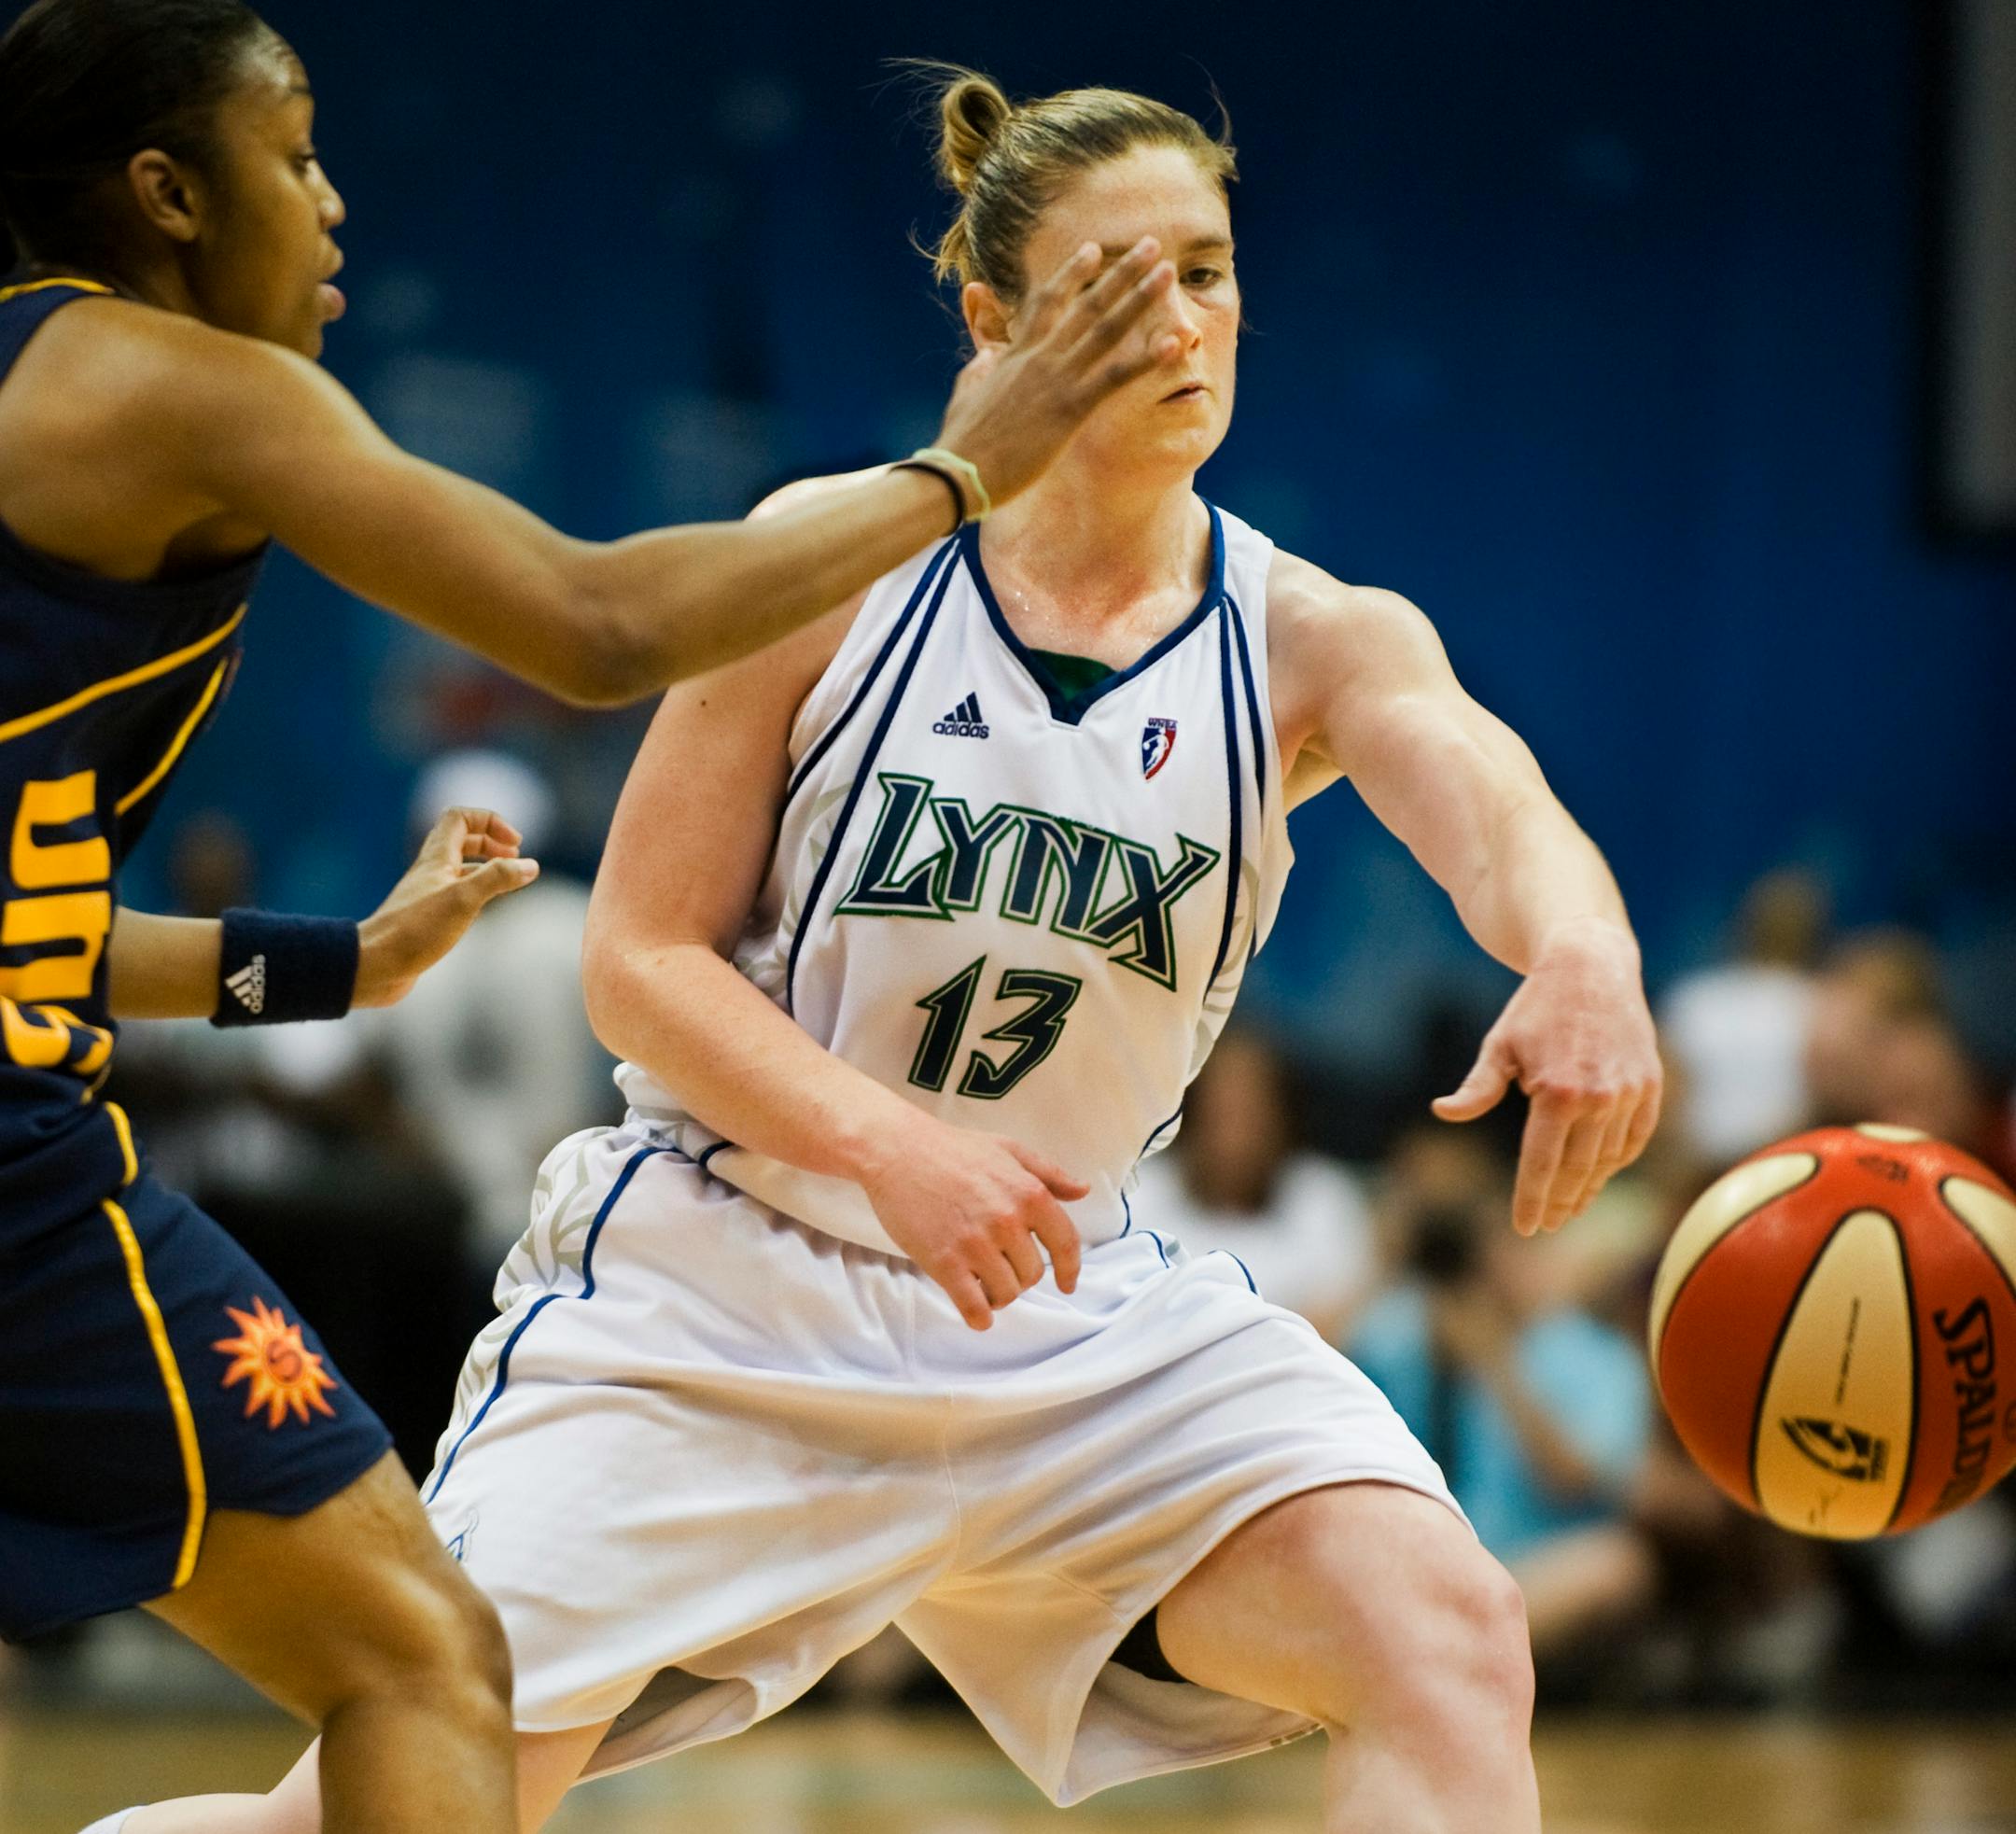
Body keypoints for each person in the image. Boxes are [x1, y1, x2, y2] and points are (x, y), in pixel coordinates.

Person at [142, 64, 1662, 1834]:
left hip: (1065, 1306)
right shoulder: (828, 560)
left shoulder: (1313, 637)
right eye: (1119, 285)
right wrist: (895, 1152)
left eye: (1213, 268)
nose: (1183, 322)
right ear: (993, 318)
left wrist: (1580, 954)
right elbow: (638, 961)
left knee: (1448, 1634)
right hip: (727, 1288)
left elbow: (1492, 800)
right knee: (378, 1812)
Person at [0, 1, 1182, 1827]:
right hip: (19, 1174)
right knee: (421, 1657)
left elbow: (28, 917)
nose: (330, 203)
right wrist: (964, 471)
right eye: (293, 150)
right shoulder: (169, 383)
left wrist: (350, 962)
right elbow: (597, 622)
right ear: (164, 190)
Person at [1131, 1027, 1375, 1342]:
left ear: (1283, 1117)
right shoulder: (1137, 1194)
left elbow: (1340, 1331)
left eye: (1251, 1111)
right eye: (1221, 1111)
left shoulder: (1323, 1199)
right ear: (1190, 1113)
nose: (1235, 1134)